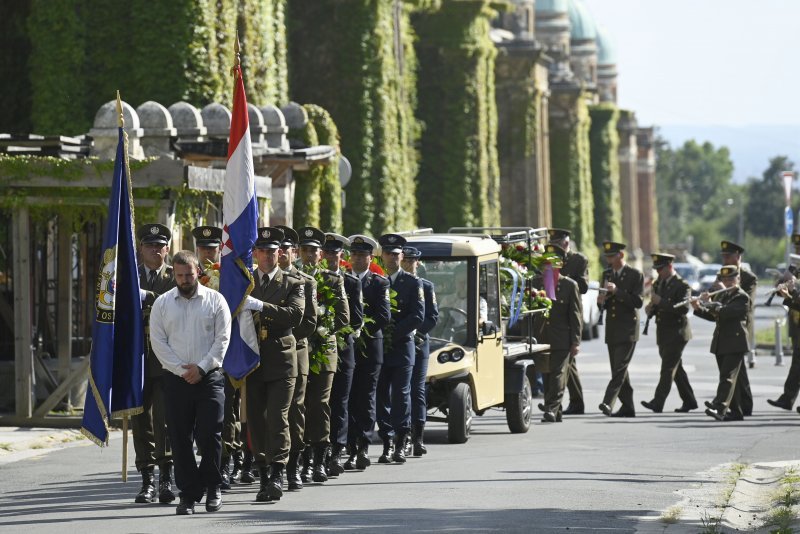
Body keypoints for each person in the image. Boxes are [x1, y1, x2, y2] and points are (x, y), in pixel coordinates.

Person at [148, 251, 232, 515]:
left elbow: (223, 339)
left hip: (210, 378)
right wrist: (181, 370)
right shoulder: (162, 304)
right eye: (180, 275)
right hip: (176, 380)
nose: (185, 280)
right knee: (179, 438)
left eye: (189, 274)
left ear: (199, 272)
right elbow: (158, 342)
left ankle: (212, 487)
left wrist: (202, 368)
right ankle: (188, 494)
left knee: (210, 435)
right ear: (174, 273)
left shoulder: (215, 300)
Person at [244, 227, 306, 502]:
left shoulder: (293, 283)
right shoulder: (245, 282)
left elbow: (295, 315)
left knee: (278, 417)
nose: (268, 256)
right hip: (253, 359)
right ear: (255, 253)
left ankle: (279, 472)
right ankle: (263, 472)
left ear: (280, 254)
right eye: (263, 252)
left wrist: (259, 306)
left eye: (272, 252)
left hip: (282, 361)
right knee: (256, 420)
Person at [296, 226, 349, 484]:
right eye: (304, 250)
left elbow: (343, 317)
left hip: (324, 350)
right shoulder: (292, 277)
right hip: (300, 350)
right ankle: (301, 460)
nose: (309, 255)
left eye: (313, 251)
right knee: (299, 405)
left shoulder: (332, 279)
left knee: (319, 404)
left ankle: (319, 460)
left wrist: (322, 326)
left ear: (321, 255)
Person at [132, 223, 176, 504]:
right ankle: (147, 478)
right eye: (150, 246)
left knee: (166, 420)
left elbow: (180, 304)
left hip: (166, 358)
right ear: (141, 249)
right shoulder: (127, 276)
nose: (155, 250)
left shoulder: (174, 277)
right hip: (137, 358)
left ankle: (166, 478)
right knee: (141, 420)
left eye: (160, 246)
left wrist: (149, 297)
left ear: (167, 250)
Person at [194, 225, 240, 489]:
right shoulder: (189, 275)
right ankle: (206, 462)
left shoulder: (228, 276)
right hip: (196, 354)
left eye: (213, 248)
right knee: (200, 417)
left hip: (226, 354)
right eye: (203, 248)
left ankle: (224, 464)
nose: (208, 253)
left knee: (226, 413)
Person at [275, 225, 317, 491]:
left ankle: (294, 465)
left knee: (294, 410)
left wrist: (283, 333)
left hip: (295, 350)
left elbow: (309, 322)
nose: (281, 255)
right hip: (265, 350)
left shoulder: (304, 281)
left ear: (292, 252)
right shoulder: (260, 279)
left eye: (286, 249)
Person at [376, 234, 425, 464]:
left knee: (401, 395)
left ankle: (401, 440)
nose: (392, 258)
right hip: (379, 348)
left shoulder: (413, 282)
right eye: (388, 254)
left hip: (403, 346)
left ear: (402, 256)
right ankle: (386, 440)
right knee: (380, 395)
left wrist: (392, 334)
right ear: (382, 255)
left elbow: (418, 315)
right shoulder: (377, 279)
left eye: (396, 254)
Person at [344, 235, 391, 470]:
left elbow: (383, 316)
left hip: (370, 348)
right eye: (354, 255)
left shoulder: (379, 282)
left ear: (370, 258)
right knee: (349, 398)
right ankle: (350, 447)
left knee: (366, 397)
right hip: (347, 349)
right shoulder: (342, 280)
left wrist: (360, 329)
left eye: (362, 256)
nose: (357, 259)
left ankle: (363, 445)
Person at [321, 233, 364, 475]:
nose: (330, 258)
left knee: (340, 402)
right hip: (319, 351)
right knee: (319, 403)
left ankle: (337, 449)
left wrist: (333, 331)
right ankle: (319, 448)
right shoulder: (314, 279)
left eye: (335, 254)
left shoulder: (351, 282)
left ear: (341, 256)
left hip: (343, 349)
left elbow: (356, 319)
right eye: (326, 253)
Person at [640, 253, 698, 413]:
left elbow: (684, 308)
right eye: (657, 269)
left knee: (667, 369)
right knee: (676, 369)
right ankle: (689, 400)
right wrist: (650, 309)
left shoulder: (682, 285)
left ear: (669, 266)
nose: (658, 272)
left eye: (661, 269)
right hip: (663, 332)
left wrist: (661, 302)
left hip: (677, 332)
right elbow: (658, 306)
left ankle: (657, 402)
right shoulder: (659, 283)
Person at [693, 265, 750, 421]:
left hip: (735, 342)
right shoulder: (724, 297)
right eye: (725, 279)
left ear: (738, 279)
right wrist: (698, 307)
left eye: (731, 279)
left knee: (727, 377)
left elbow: (725, 312)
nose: (728, 282)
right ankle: (736, 412)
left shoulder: (742, 297)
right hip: (722, 342)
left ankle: (719, 406)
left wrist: (710, 303)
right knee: (732, 380)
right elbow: (714, 317)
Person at [532, 244, 582, 423]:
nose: (547, 267)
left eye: (551, 264)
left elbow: (576, 315)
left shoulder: (569, 286)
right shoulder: (536, 283)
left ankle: (551, 408)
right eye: (545, 264)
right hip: (542, 337)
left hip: (563, 338)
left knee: (559, 374)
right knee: (546, 374)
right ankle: (555, 410)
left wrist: (576, 341)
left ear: (559, 265)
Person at [597, 241, 643, 418]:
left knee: (619, 368)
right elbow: (607, 304)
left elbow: (637, 302)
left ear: (621, 256)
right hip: (613, 328)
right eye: (607, 257)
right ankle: (628, 406)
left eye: (611, 256)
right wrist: (602, 301)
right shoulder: (607, 274)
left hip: (628, 328)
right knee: (618, 368)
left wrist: (617, 292)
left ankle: (608, 402)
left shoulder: (634, 275)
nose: (608, 260)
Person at [400, 246, 439, 455]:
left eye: (411, 261)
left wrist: (416, 333)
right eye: (404, 260)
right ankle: (403, 435)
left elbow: (432, 316)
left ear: (418, 263)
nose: (407, 264)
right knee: (401, 388)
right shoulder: (394, 284)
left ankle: (418, 436)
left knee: (418, 389)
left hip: (419, 341)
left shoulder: (426, 286)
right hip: (401, 342)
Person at [548, 228, 588, 415]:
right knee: (567, 364)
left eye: (558, 244)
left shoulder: (578, 260)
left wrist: (565, 281)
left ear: (566, 243)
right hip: (555, 313)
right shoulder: (549, 255)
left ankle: (555, 405)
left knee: (563, 365)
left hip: (569, 309)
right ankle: (573, 403)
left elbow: (584, 286)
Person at [718, 240, 755, 415]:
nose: (725, 260)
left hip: (741, 327)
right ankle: (743, 405)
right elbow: (717, 300)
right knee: (737, 370)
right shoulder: (722, 275)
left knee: (734, 369)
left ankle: (739, 406)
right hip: (725, 325)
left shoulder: (749, 278)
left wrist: (726, 290)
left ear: (738, 257)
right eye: (724, 256)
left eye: (729, 256)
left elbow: (747, 301)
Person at [769, 233, 800, 411]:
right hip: (796, 324)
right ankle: (787, 399)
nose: (798, 252)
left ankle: (787, 398)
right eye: (796, 249)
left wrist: (793, 289)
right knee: (797, 363)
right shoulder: (794, 268)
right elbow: (779, 287)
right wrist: (783, 281)